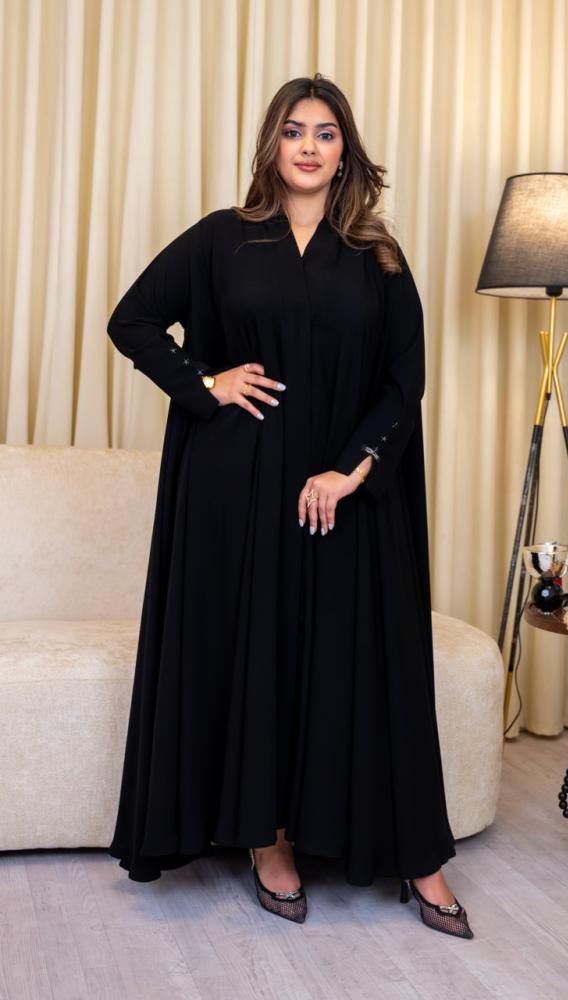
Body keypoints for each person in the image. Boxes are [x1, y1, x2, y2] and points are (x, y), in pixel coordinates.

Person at [107, 73, 473, 939]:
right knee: (257, 657)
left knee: (364, 662)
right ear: (272, 144)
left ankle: (416, 855)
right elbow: (133, 321)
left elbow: (405, 382)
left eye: (326, 132)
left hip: (342, 496)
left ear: (347, 152)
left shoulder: (377, 257)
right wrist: (206, 381)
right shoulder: (223, 239)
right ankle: (269, 843)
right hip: (235, 493)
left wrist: (350, 471)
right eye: (294, 130)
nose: (309, 146)